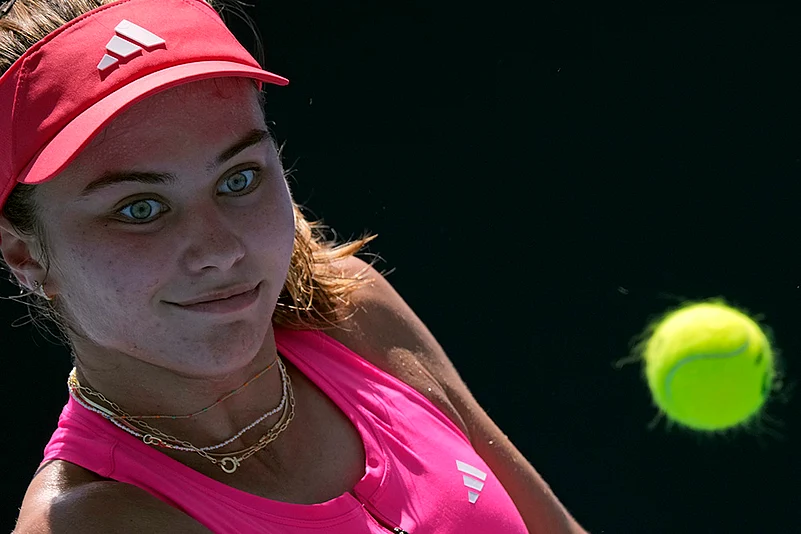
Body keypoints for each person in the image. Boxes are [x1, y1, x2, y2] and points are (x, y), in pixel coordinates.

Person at [1, 1, 589, 532]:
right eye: (140, 208)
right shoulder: (93, 524)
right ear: (24, 254)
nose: (221, 250)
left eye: (239, 178)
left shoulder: (347, 304)